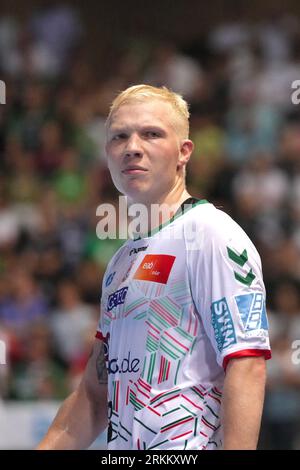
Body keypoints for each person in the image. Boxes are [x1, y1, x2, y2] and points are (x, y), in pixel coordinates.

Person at [37, 84, 271, 450]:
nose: (132, 147)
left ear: (184, 152)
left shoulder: (210, 234)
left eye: (151, 134)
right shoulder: (120, 263)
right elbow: (95, 397)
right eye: (119, 136)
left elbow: (247, 363)